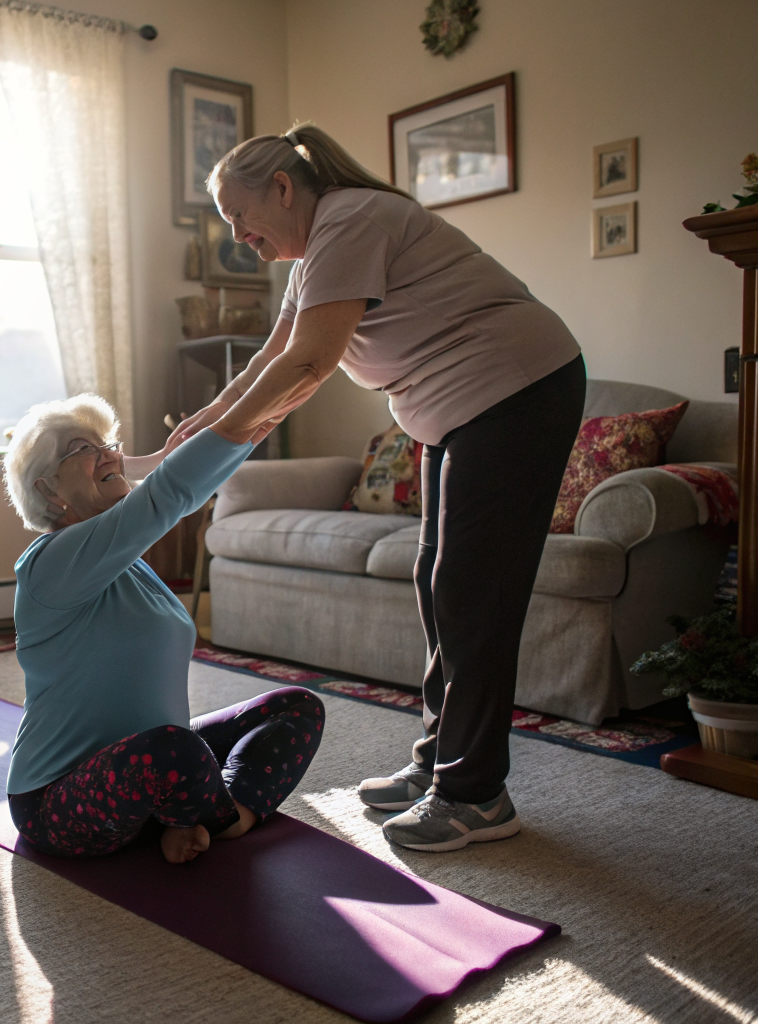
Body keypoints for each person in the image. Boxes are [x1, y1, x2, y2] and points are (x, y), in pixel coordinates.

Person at [170, 123, 586, 853]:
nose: (238, 236)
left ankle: (475, 794)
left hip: (516, 389)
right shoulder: (312, 260)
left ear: (282, 188)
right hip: (459, 411)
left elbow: (307, 365)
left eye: (240, 216)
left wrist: (213, 445)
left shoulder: (351, 217)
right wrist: (192, 431)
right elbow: (268, 363)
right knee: (438, 581)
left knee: (473, 590)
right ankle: (439, 760)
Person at [2, 393, 325, 864]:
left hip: (149, 764)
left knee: (295, 706)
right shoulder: (49, 565)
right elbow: (167, 494)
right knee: (172, 749)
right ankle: (206, 816)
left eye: (108, 444)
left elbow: (156, 494)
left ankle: (211, 814)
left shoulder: (127, 560)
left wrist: (237, 427)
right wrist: (237, 427)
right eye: (84, 449)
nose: (108, 454)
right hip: (56, 800)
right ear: (49, 490)